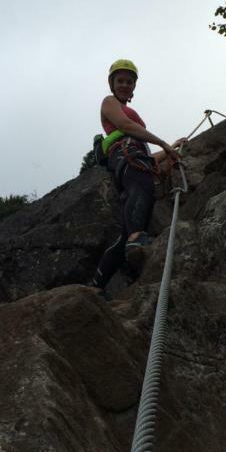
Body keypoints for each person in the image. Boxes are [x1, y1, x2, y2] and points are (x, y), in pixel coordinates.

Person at [92, 59, 186, 294]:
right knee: (141, 186)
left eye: (129, 81)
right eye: (120, 81)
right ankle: (137, 237)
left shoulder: (136, 136)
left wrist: (170, 149)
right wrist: (162, 141)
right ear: (112, 84)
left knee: (123, 235)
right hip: (126, 154)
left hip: (133, 157)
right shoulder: (109, 102)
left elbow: (148, 159)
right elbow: (124, 124)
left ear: (134, 86)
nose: (125, 85)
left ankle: (95, 286)